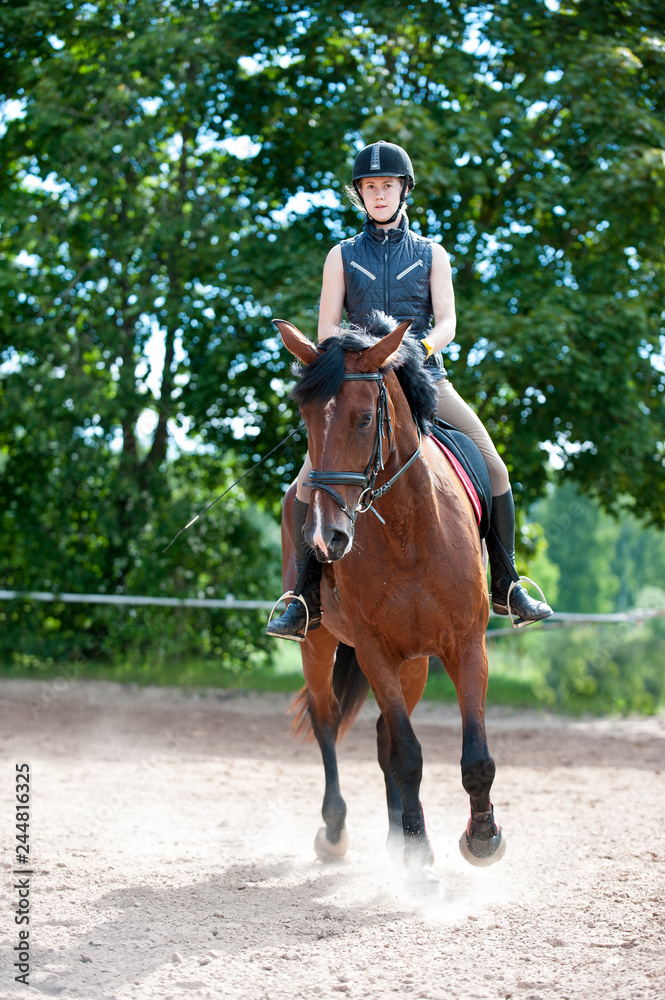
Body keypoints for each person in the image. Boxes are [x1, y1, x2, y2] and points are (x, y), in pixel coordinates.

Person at [267, 140, 552, 640]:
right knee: (303, 485)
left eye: (388, 186)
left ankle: (506, 582)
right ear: (360, 195)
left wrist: (411, 352)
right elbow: (327, 330)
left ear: (403, 191)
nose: (379, 194)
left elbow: (448, 323)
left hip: (424, 380)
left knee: (495, 468)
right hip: (358, 387)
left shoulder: (431, 253)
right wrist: (357, 360)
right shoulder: (341, 255)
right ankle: (304, 599)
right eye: (370, 187)